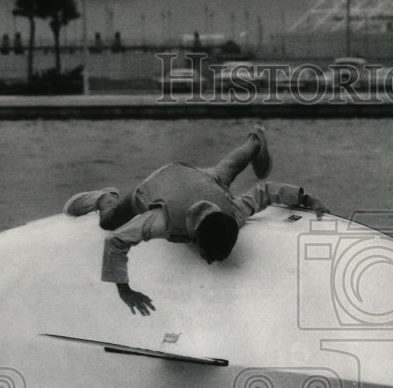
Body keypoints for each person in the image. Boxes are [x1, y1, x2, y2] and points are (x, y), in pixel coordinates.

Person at [63, 124, 328, 316]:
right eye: (208, 254)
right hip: (159, 185)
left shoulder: (232, 215)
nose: (211, 261)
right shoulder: (162, 221)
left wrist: (306, 199)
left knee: (225, 172)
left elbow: (266, 191)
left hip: (202, 181)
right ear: (195, 236)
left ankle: (255, 141)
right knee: (108, 221)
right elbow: (115, 241)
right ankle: (104, 197)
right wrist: (125, 291)